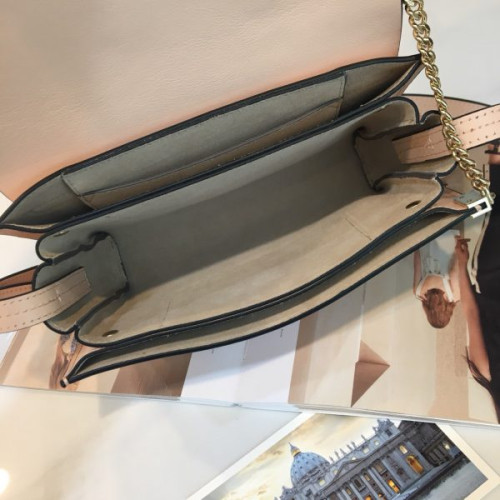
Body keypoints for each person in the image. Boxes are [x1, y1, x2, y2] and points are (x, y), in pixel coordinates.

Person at [413, 230, 461, 328]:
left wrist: (459, 245)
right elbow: (417, 261)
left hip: (447, 243)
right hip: (425, 243)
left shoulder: (455, 295)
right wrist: (417, 243)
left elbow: (454, 270)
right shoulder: (418, 292)